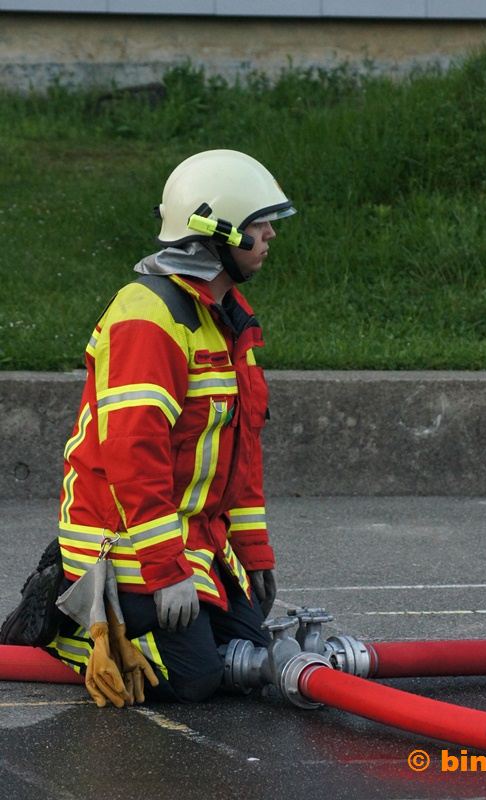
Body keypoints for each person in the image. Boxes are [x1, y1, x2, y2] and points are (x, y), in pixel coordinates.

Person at [2, 149, 296, 706]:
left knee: (249, 655)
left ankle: (141, 618)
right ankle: (71, 625)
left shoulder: (227, 317)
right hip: (123, 542)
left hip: (191, 544)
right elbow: (133, 455)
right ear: (219, 231)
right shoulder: (149, 317)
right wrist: (165, 572)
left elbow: (241, 450)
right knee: (197, 679)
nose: (270, 234)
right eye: (260, 223)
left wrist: (253, 554)